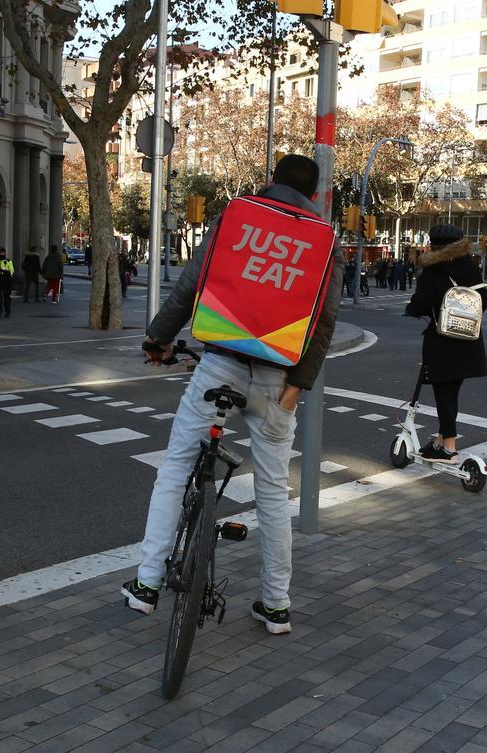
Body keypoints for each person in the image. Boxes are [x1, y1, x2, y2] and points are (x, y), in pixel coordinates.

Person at [123, 154, 343, 634]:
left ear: (271, 182)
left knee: (177, 466)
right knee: (270, 492)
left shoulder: (238, 215)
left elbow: (190, 284)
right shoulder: (325, 240)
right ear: (314, 192)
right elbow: (324, 321)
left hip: (219, 362)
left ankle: (147, 582)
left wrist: (159, 339)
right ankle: (276, 605)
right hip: (277, 379)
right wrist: (298, 386)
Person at [404, 223, 487, 463]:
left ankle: (449, 448)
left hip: (442, 341)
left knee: (443, 393)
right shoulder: (471, 267)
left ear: (433, 245)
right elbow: (484, 301)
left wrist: (411, 310)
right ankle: (441, 439)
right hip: (468, 339)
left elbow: (419, 304)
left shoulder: (432, 271)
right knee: (452, 393)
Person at [0, 247, 13, 319]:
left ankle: (7, 312)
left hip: (6, 280)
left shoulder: (8, 261)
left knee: (7, 297)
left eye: (2, 252)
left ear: (4, 253)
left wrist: (2, 270)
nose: (1, 253)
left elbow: (11, 272)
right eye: (0, 252)